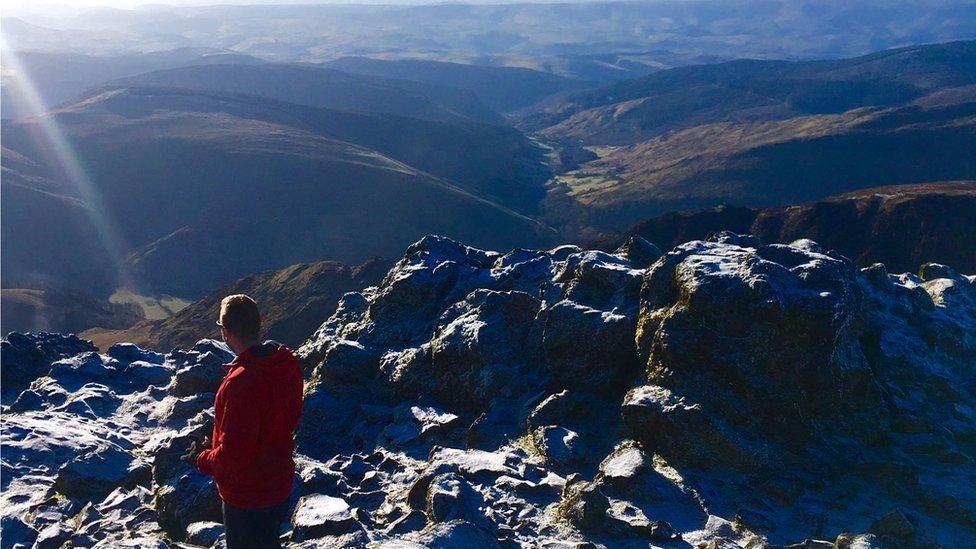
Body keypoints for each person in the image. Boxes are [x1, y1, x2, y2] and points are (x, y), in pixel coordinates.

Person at [183, 294, 304, 549]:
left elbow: (233, 455)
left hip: (248, 496)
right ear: (260, 321)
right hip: (279, 482)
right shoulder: (285, 363)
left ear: (224, 332)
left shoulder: (241, 382)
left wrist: (202, 458)